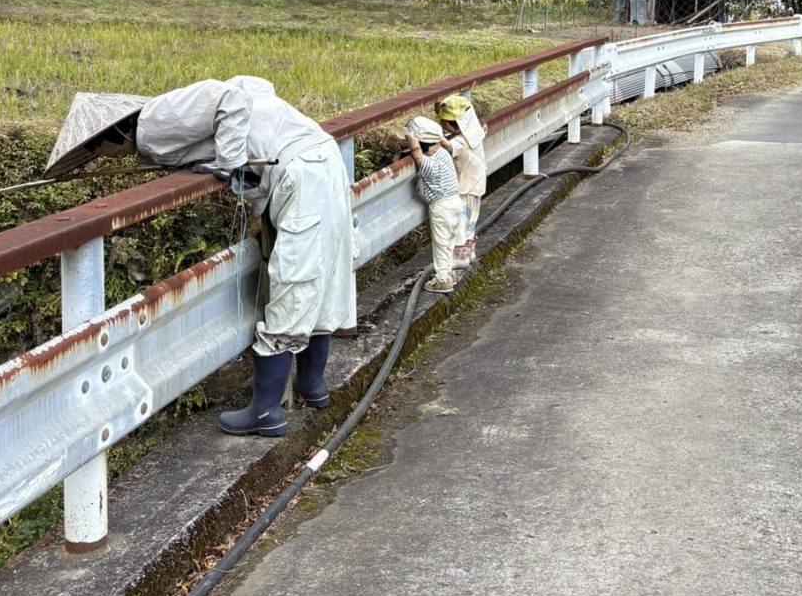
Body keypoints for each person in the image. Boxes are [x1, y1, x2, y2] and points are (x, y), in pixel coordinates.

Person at [44, 78, 357, 439]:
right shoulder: (153, 133)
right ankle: (312, 385)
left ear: (110, 135)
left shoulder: (153, 120)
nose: (103, 159)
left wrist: (229, 159)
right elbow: (255, 87)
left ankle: (267, 410)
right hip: (320, 160)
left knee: (294, 279)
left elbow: (231, 97)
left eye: (97, 151)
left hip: (299, 174)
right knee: (321, 271)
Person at [405, 115, 464, 294]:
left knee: (440, 243)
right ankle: (450, 272)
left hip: (441, 207)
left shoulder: (429, 164)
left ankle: (442, 280)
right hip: (456, 202)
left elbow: (416, 153)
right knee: (449, 242)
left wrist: (411, 139)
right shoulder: (443, 154)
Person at [435, 93, 487, 266]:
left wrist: (435, 136)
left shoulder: (460, 141)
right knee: (471, 220)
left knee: (460, 223)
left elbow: (449, 147)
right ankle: (469, 253)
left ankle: (460, 258)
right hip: (476, 183)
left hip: (466, 186)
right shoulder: (475, 132)